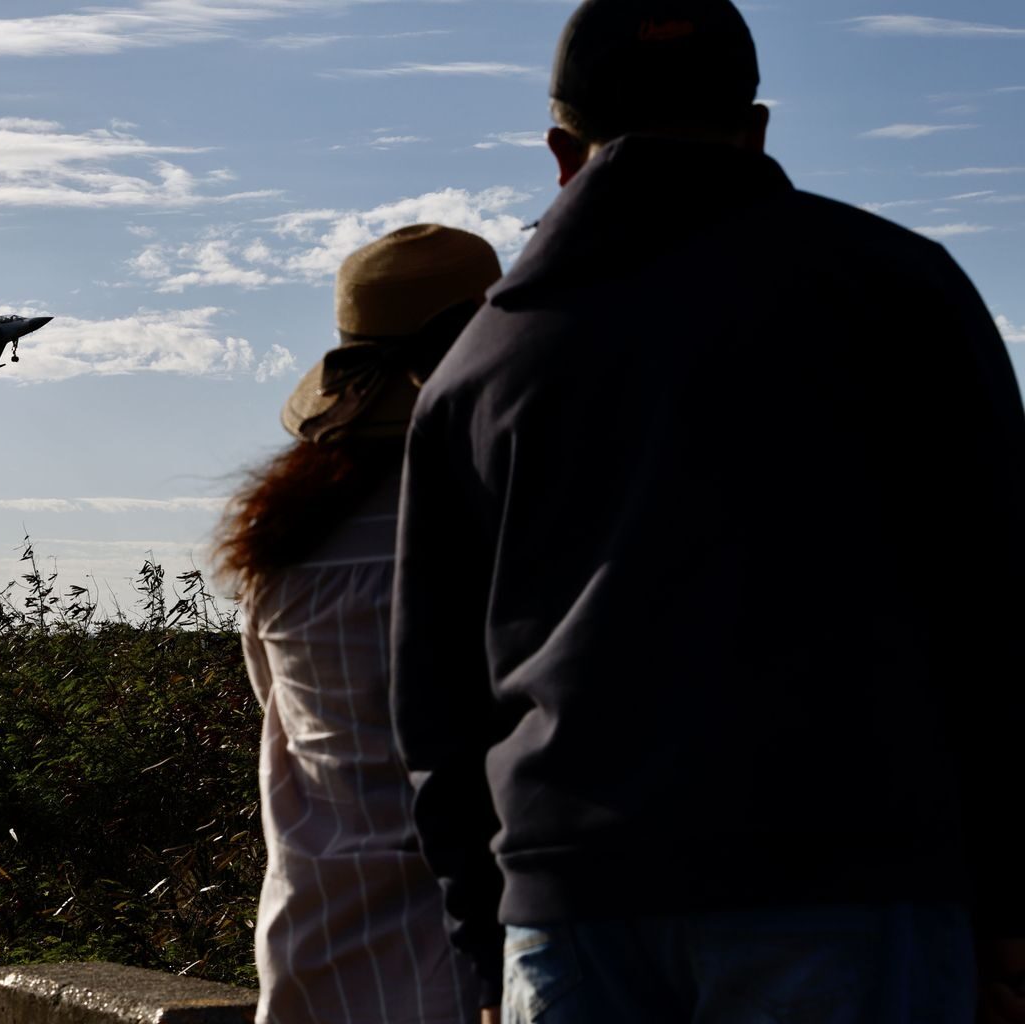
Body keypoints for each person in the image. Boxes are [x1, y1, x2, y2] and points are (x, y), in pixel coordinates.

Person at [388, 2, 1025, 1022]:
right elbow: (998, 611)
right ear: (757, 127)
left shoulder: (478, 368)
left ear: (562, 152)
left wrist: (485, 940)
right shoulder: (901, 292)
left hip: (570, 906)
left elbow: (436, 705)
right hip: (848, 879)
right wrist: (1004, 906)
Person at [217, 225, 497, 1024]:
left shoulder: (282, 549)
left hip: (317, 948)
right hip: (468, 967)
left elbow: (275, 719)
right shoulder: (502, 522)